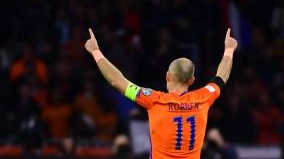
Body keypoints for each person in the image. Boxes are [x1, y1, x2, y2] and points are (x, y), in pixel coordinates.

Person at [84, 28, 237, 159]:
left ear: (167, 76)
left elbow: (118, 82)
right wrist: (229, 49)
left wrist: (96, 52)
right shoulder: (204, 97)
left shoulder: (153, 99)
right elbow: (221, 77)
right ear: (192, 80)